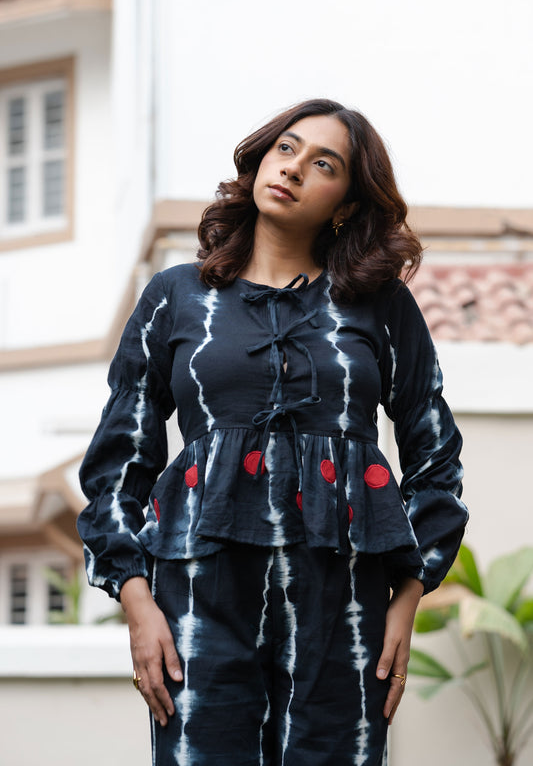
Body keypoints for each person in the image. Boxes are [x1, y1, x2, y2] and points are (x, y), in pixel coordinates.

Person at [77, 98, 468, 766]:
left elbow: (435, 457)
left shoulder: (380, 307)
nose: (292, 168)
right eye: (285, 148)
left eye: (324, 164)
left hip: (345, 604)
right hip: (198, 596)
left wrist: (405, 600)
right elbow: (118, 462)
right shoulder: (175, 297)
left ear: (346, 204)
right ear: (261, 159)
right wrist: (136, 603)